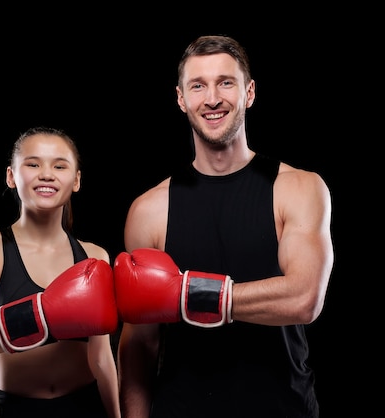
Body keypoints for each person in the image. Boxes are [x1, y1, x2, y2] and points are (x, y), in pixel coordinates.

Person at [114, 35, 334, 417]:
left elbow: (303, 298)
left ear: (249, 92)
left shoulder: (298, 187)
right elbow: (139, 344)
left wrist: (185, 295)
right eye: (198, 86)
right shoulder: (149, 211)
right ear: (181, 99)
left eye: (225, 83)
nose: (212, 98)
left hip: (284, 409)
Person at [0, 126, 121, 418]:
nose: (46, 174)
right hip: (16, 408)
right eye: (33, 164)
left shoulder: (95, 256)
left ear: (76, 180)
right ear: (11, 176)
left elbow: (101, 359)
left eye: (60, 166)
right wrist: (49, 313)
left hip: (84, 407)